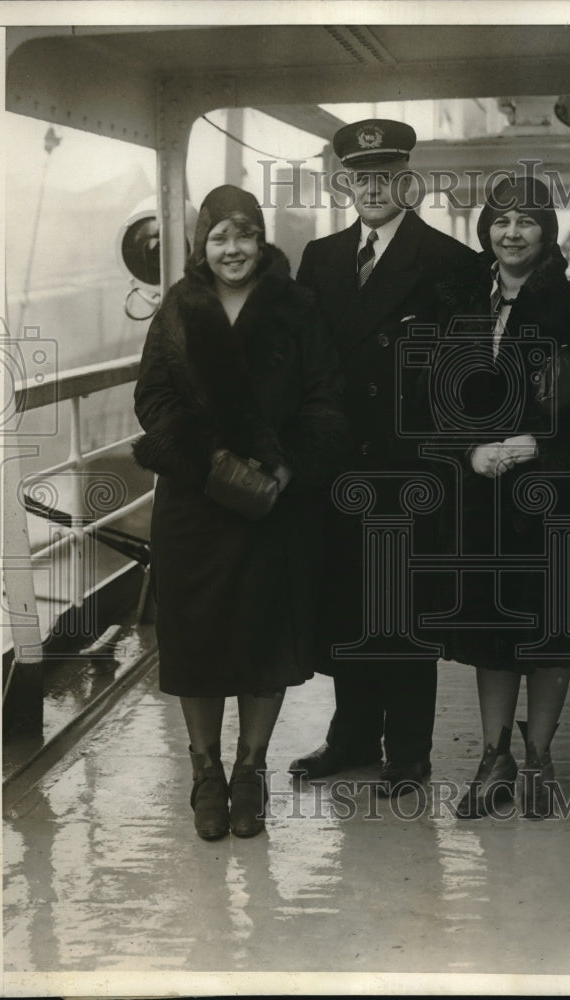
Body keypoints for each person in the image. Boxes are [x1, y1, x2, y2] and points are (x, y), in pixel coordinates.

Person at [133, 184, 347, 840]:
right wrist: (212, 463)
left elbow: (325, 400)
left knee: (264, 636)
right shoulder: (178, 306)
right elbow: (153, 399)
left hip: (273, 503)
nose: (233, 249)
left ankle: (250, 771)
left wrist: (283, 469)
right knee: (195, 636)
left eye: (244, 235)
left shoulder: (296, 307)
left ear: (261, 240)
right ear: (203, 244)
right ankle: (206, 773)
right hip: (194, 503)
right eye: (220, 237)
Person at [436, 175, 570, 819]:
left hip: (554, 497)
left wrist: (539, 447)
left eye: (526, 222)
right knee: (491, 632)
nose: (512, 233)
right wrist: (470, 450)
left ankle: (538, 761)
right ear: (485, 233)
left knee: (552, 631)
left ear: (546, 233)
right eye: (501, 221)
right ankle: (492, 758)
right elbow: (436, 396)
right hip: (484, 501)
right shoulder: (465, 306)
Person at [290, 119, 477, 796]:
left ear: (407, 179)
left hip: (409, 469)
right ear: (346, 182)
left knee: (402, 609)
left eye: (385, 174)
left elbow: (466, 380)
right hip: (337, 469)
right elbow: (303, 366)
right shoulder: (321, 257)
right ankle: (349, 739)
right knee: (345, 603)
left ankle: (407, 750)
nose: (372, 186)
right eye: (359, 176)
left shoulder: (450, 262)